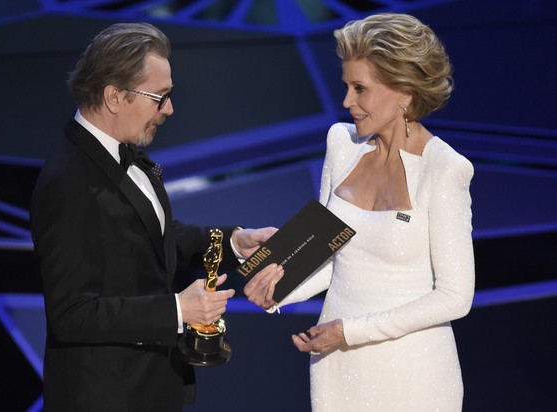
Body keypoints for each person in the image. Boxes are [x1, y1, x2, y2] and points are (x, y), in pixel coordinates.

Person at [30, 22, 282, 412]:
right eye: (159, 97)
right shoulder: (70, 182)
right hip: (105, 398)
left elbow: (154, 237)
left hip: (147, 388)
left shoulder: (120, 152)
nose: (170, 109)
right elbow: (72, 313)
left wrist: (233, 242)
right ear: (115, 96)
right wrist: (179, 311)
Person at [245, 13, 475, 411]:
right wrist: (276, 291)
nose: (347, 102)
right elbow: (330, 258)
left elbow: (455, 297)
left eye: (360, 89)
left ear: (403, 91)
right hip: (338, 364)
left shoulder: (445, 170)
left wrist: (350, 332)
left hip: (412, 372)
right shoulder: (341, 144)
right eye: (346, 86)